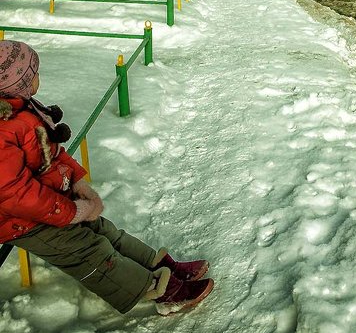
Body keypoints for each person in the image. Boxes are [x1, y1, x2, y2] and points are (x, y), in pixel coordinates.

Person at [0, 40, 214, 316]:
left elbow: (51, 152)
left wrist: (76, 181)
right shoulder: (5, 129)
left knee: (105, 230)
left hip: (50, 200)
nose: (40, 78)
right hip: (23, 222)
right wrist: (70, 211)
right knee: (88, 251)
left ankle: (159, 265)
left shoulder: (23, 109)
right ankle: (161, 290)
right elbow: (13, 194)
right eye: (35, 73)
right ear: (22, 83)